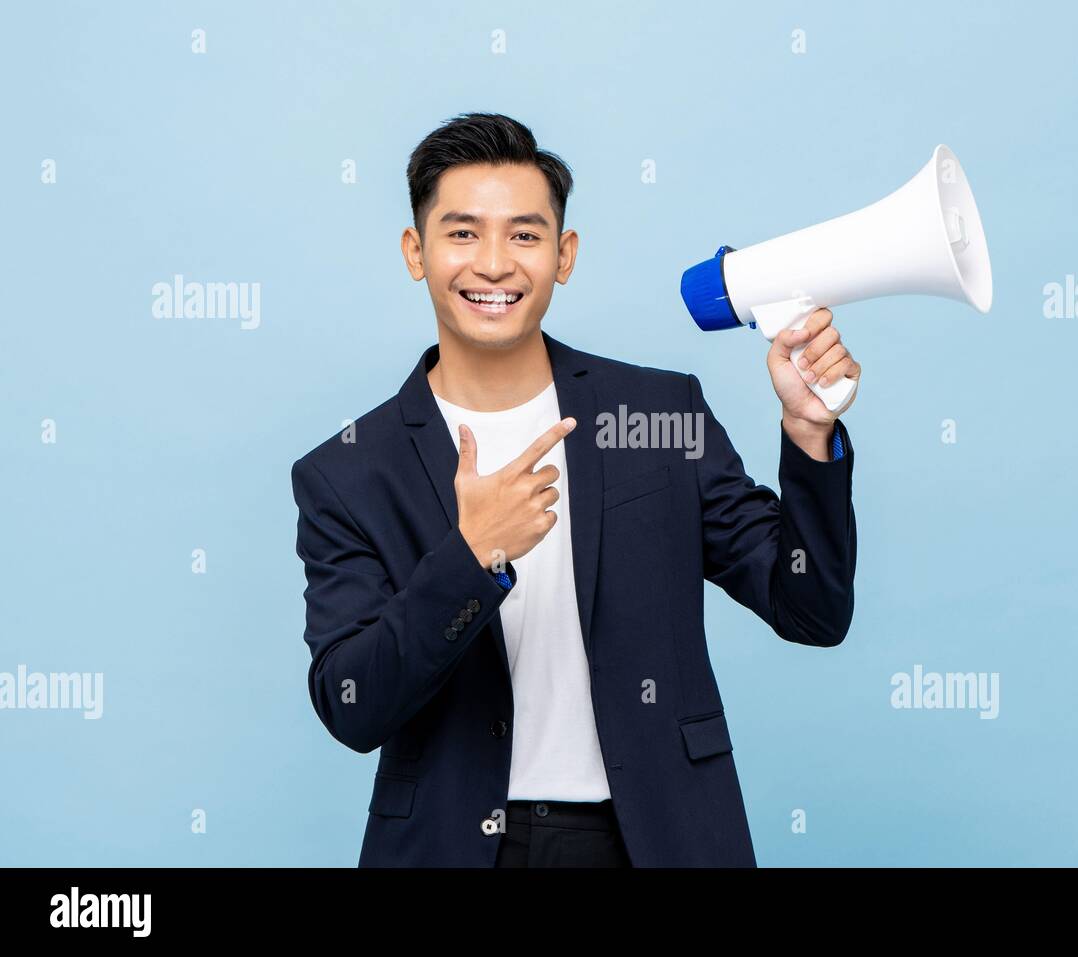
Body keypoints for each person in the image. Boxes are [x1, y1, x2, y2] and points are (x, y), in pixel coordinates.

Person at [290, 112, 859, 867]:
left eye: (524, 235)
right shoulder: (349, 471)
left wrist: (807, 432)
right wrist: (471, 553)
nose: (494, 264)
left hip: (655, 839)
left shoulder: (657, 415)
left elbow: (811, 608)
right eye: (462, 233)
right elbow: (352, 704)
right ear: (414, 252)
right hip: (455, 847)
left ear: (564, 256)